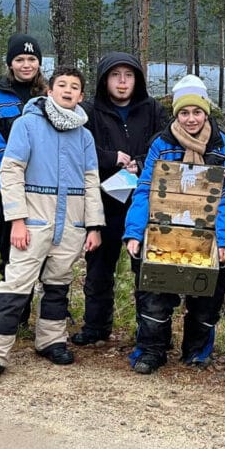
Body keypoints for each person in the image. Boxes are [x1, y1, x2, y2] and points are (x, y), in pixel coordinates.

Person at [0, 67, 104, 384]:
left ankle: (51, 340)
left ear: (82, 96)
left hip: (70, 222)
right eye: (62, 85)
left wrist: (93, 225)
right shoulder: (27, 125)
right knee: (15, 287)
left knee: (58, 284)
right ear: (49, 90)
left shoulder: (84, 135)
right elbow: (12, 170)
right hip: (34, 219)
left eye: (75, 87)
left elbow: (90, 180)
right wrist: (17, 219)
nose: (68, 90)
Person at [123, 75, 225, 374]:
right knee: (153, 294)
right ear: (176, 114)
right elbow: (145, 188)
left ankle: (197, 351)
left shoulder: (223, 147)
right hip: (162, 230)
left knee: (207, 297)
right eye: (184, 112)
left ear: (206, 112)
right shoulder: (160, 145)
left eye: (197, 112)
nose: (191, 119)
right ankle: (152, 350)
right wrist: (134, 233)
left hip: (208, 232)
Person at [70, 52, 167, 348]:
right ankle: (96, 327)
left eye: (128, 75)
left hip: (144, 202)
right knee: (99, 269)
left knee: (147, 272)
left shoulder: (153, 110)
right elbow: (78, 149)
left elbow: (166, 143)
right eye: (115, 75)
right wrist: (112, 158)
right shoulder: (88, 111)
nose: (122, 82)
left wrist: (139, 161)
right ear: (104, 79)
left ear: (137, 79)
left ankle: (149, 331)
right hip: (104, 201)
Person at [0, 33, 48, 279]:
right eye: (20, 59)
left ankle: (45, 311)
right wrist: (11, 187)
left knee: (44, 256)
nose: (26, 64)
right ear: (10, 63)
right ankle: (13, 315)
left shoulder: (48, 96)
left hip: (44, 191)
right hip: (7, 192)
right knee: (12, 257)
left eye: (32, 58)